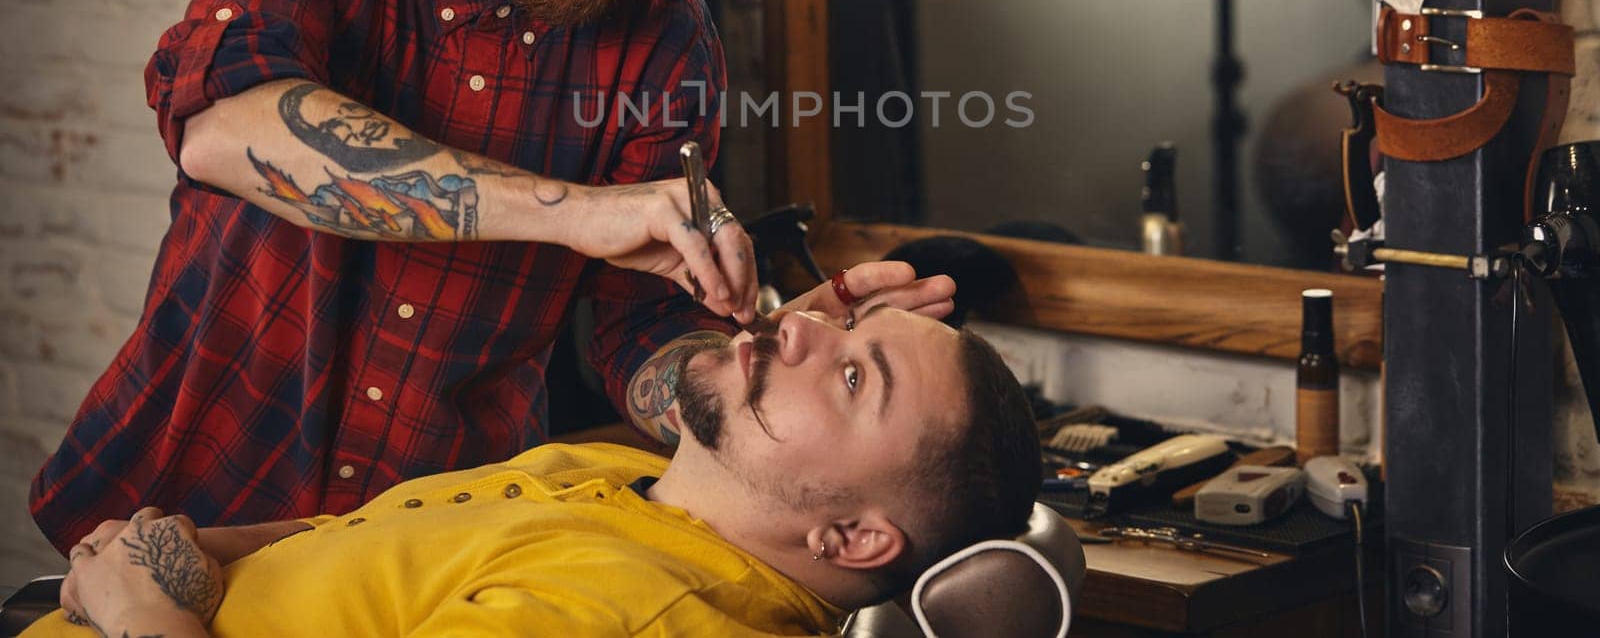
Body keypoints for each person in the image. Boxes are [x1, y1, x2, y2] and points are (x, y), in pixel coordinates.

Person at [31, 0, 950, 555]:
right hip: (173, 510)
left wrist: (765, 371)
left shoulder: (669, 44)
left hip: (431, 557)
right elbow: (228, 127)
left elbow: (642, 338)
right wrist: (575, 214)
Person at [28, 298, 1042, 638]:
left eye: (855, 373)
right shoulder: (619, 479)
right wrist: (161, 556)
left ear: (855, 537)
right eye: (849, 323)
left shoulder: (635, 613)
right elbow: (375, 547)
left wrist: (139, 620)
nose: (809, 323)